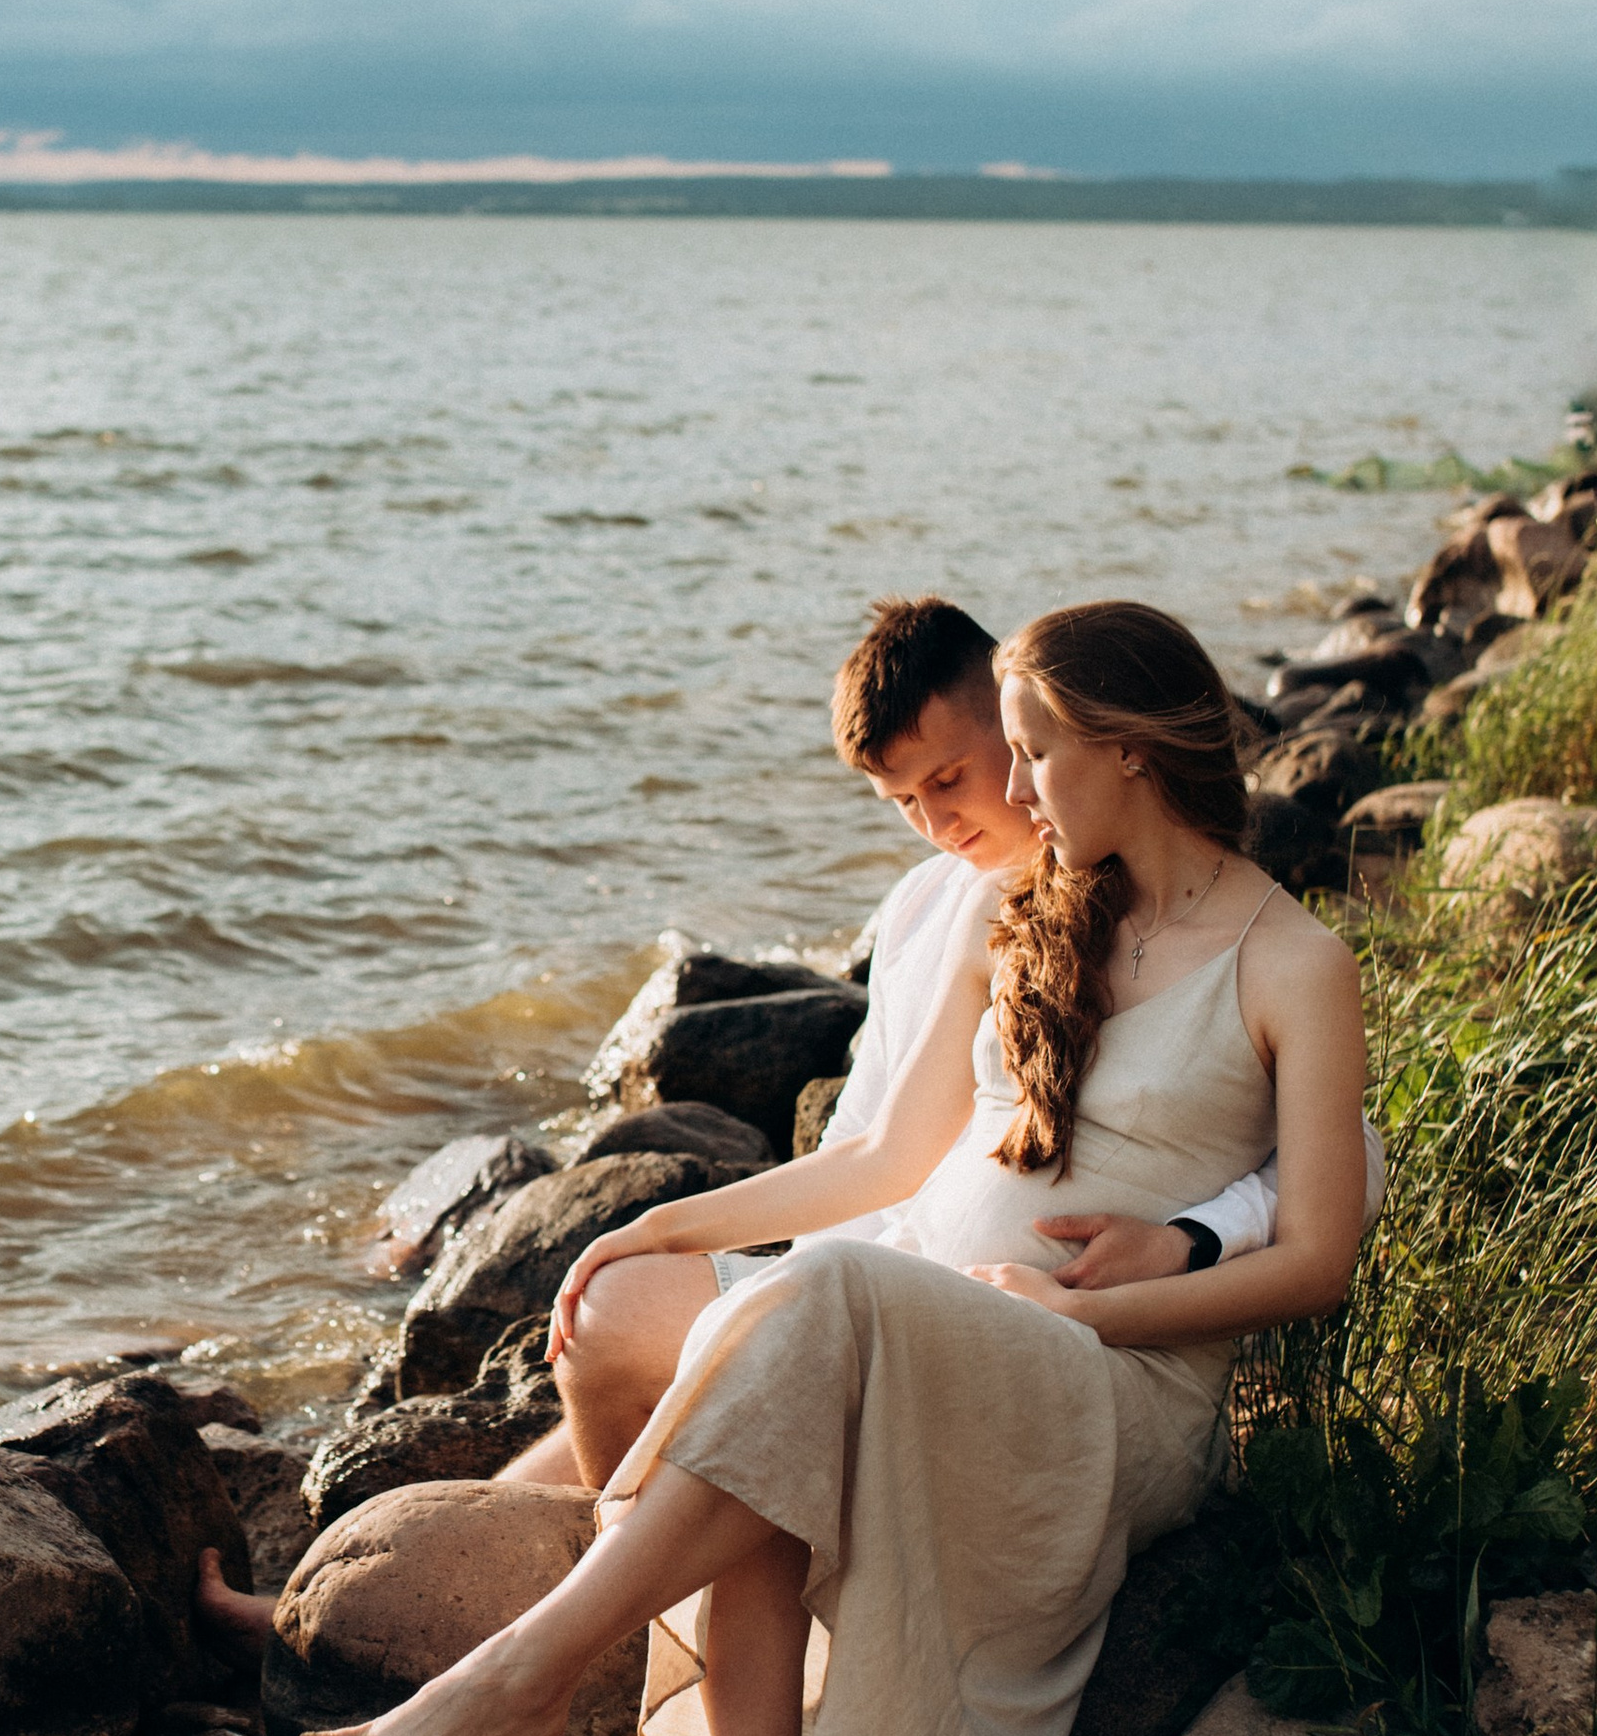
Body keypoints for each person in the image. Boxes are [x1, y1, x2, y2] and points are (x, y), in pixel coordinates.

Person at [300, 602, 1368, 1736]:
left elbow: (1321, 1259)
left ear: (1132, 753)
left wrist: (1102, 1303)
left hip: (1121, 1392)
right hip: (967, 1334)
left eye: (1033, 755)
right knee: (781, 1312)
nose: (1019, 793)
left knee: (821, 1302)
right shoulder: (1036, 911)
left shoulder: (1295, 964)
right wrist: (665, 1232)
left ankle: (529, 1667)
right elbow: (886, 1158)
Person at [496, 591, 1380, 1495]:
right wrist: (665, 1234)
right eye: (902, 802)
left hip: (975, 1319)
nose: (942, 821)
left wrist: (1193, 1238)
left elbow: (1327, 1158)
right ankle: (549, 1535)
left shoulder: (1169, 918)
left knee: (686, 1435)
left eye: (954, 777)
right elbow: (871, 1149)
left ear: (1020, 723)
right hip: (857, 1273)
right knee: (604, 1342)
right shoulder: (927, 909)